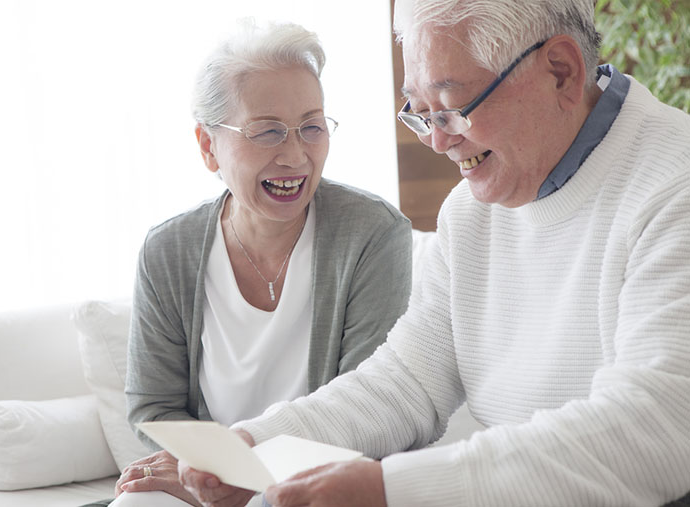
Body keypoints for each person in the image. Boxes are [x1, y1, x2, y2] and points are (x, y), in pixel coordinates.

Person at [178, 1, 690, 506]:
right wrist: (259, 443)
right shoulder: (470, 212)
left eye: (452, 106)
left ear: (560, 72)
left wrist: (393, 490)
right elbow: (407, 381)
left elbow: (660, 428)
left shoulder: (673, 185)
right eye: (422, 112)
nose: (439, 141)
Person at [100, 19, 413, 507]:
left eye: (311, 127)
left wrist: (256, 477)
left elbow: (369, 405)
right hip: (208, 480)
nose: (295, 155)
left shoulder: (373, 234)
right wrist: (215, 472)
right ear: (208, 146)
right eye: (267, 132)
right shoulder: (168, 250)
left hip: (322, 475)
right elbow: (154, 406)